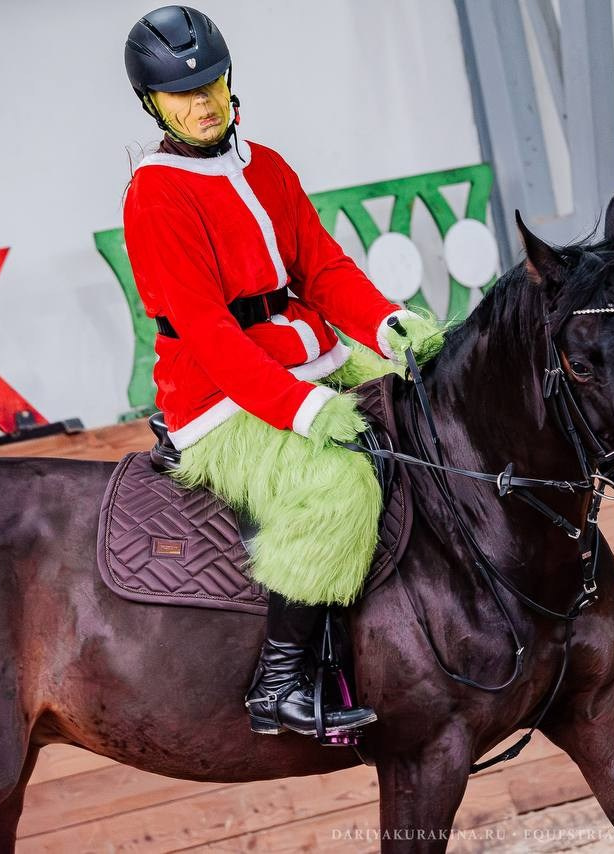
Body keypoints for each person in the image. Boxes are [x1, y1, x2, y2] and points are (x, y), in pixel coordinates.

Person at [122, 5, 443, 738]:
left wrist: (386, 324)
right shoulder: (156, 195)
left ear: (231, 80)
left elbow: (322, 267)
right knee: (337, 485)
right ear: (154, 104)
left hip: (310, 348)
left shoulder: (265, 165)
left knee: (430, 392)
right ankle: (281, 681)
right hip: (220, 395)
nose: (202, 103)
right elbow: (206, 334)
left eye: (211, 84)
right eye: (182, 94)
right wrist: (301, 410)